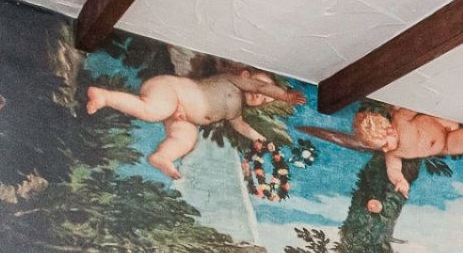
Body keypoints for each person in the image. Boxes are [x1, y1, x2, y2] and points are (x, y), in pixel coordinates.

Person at [84, 69, 303, 179]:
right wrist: (284, 96)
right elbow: (260, 87)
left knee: (186, 139)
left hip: (184, 116)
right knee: (152, 111)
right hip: (172, 90)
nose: (259, 95)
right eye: (261, 90)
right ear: (246, 75)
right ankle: (105, 97)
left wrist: (261, 139)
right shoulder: (231, 80)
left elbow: (240, 126)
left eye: (264, 100)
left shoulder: (235, 111)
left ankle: (162, 157)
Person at [302, 107, 463, 197]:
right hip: (445, 145)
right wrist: (400, 182)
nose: (385, 150)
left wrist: (396, 108)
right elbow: (393, 169)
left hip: (440, 126)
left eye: (384, 144)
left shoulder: (401, 121)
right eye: (381, 148)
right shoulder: (393, 153)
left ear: (389, 130)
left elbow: (410, 104)